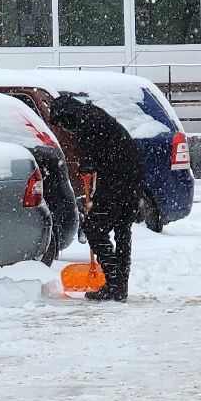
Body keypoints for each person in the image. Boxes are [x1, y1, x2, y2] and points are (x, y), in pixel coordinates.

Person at [51, 93, 145, 302]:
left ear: (67, 116)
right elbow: (102, 149)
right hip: (131, 175)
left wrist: (86, 167)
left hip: (117, 179)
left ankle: (113, 282)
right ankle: (120, 285)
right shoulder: (92, 115)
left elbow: (92, 154)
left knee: (94, 228)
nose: (66, 130)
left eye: (64, 125)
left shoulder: (86, 123)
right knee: (122, 228)